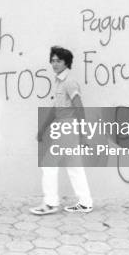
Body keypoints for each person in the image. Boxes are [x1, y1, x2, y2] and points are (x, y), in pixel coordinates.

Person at [29, 46, 94, 215]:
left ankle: (50, 203)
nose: (54, 63)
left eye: (58, 61)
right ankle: (85, 202)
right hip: (64, 127)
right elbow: (55, 108)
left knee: (49, 164)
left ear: (66, 62)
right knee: (74, 167)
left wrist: (84, 134)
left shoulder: (69, 82)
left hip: (67, 128)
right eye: (53, 60)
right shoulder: (59, 81)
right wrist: (43, 128)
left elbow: (79, 107)